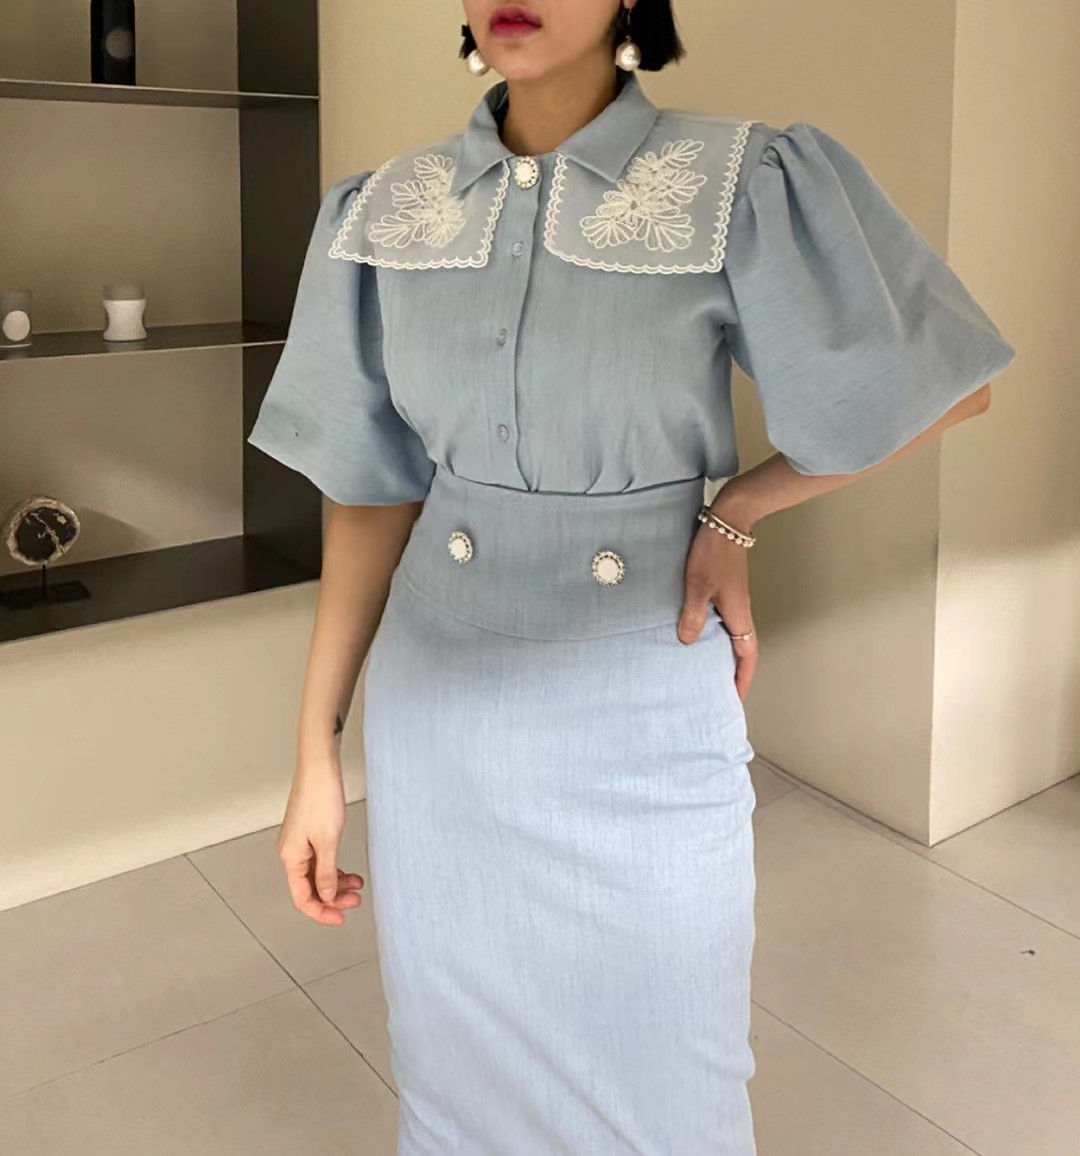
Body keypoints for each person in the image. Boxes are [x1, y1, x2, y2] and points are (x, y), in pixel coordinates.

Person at [246, 1, 1017, 1151]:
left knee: (670, 1080)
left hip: (640, 697)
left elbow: (943, 384)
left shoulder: (745, 179)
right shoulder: (385, 210)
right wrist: (316, 752)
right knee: (454, 1071)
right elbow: (369, 492)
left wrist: (739, 508)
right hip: (439, 712)